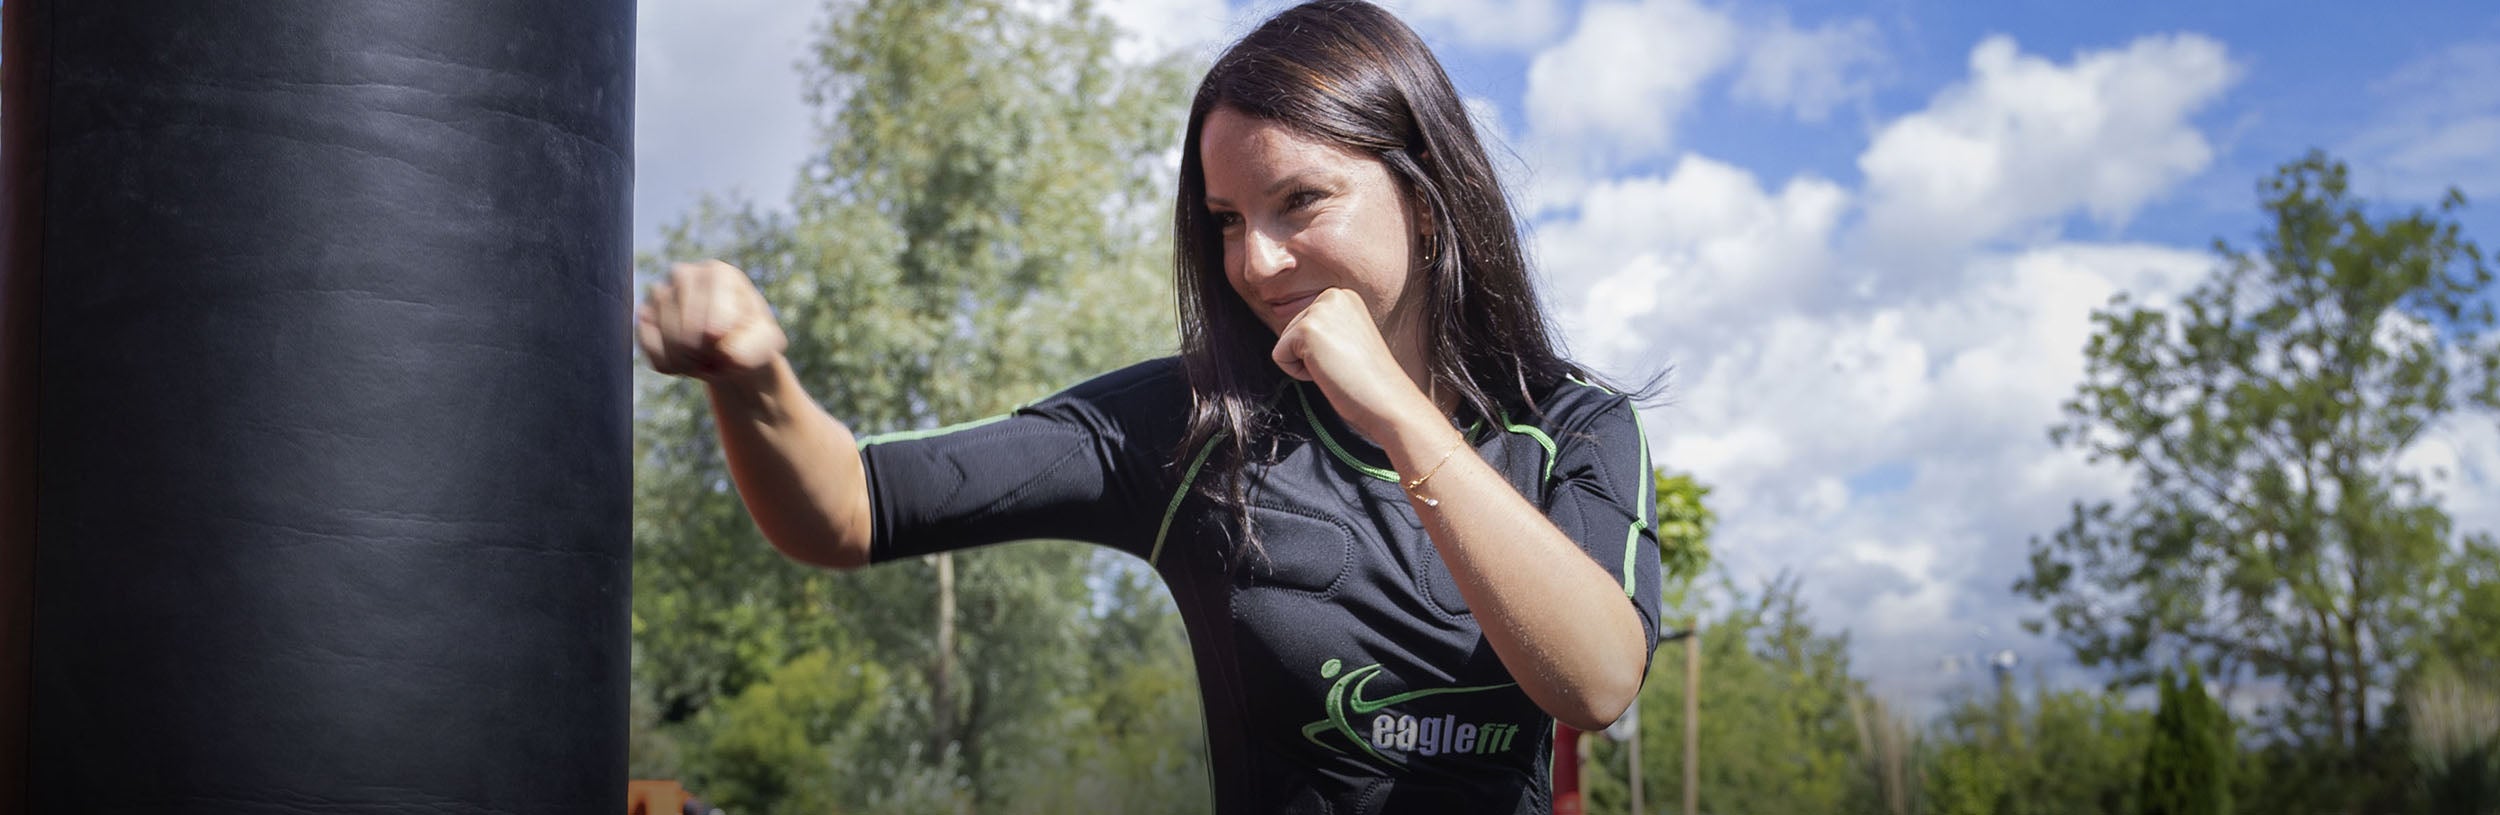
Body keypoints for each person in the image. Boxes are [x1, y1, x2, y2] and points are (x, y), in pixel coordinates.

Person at [634, 1, 1663, 811]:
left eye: (1299, 201)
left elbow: (1597, 679)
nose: (1254, 261)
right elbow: (853, 505)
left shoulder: (1572, 427)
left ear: (1425, 202)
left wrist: (1395, 411)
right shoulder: (1194, 424)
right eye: (1225, 219)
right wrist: (754, 382)